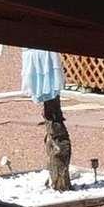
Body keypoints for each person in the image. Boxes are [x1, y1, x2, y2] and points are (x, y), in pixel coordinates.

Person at [22, 48, 73, 192]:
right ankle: (58, 179)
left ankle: (60, 181)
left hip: (43, 53)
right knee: (51, 114)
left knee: (54, 120)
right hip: (33, 52)